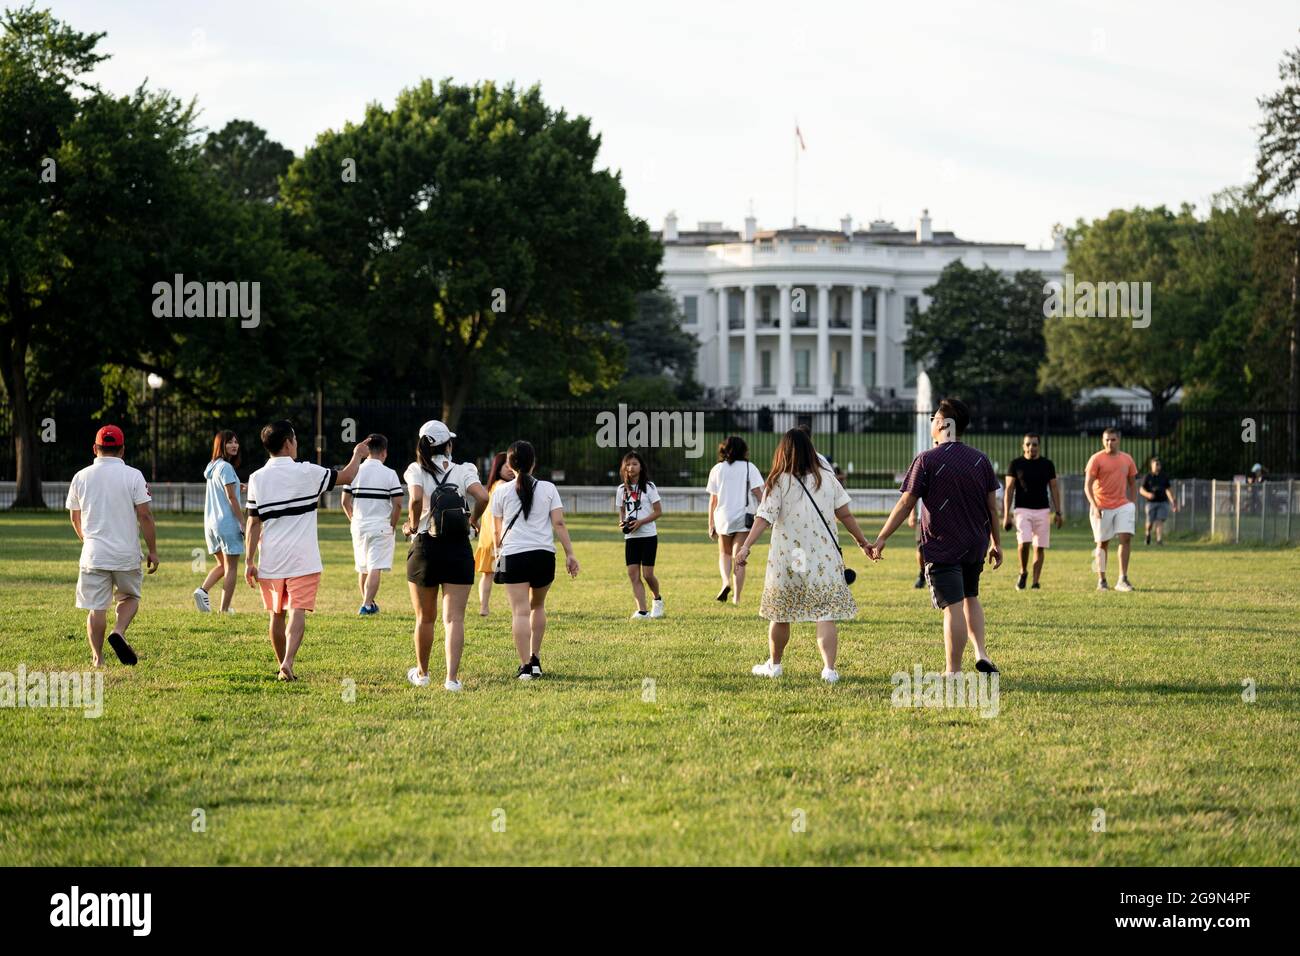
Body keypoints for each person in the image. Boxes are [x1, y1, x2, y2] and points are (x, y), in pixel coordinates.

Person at [866, 398, 1002, 675]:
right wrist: (997, 543)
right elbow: (993, 508)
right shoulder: (980, 459)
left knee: (952, 606)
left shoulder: (926, 459)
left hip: (942, 543)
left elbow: (906, 504)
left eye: (933, 419)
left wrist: (881, 538)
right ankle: (982, 653)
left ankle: (952, 670)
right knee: (970, 596)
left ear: (942, 424)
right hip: (975, 542)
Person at [735, 429, 869, 683]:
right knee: (825, 612)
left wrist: (746, 546)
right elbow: (846, 515)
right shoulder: (827, 479)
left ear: (783, 451)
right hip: (823, 556)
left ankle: (775, 665)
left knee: (781, 612)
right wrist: (863, 542)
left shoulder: (778, 481)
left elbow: (764, 517)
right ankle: (829, 669)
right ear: (810, 450)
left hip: (791, 555)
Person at [244, 421, 371, 681]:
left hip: (271, 558)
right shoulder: (307, 472)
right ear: (289, 442)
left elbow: (253, 522)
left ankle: (282, 663)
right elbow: (347, 476)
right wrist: (357, 454)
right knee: (297, 610)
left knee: (276, 614)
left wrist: (248, 560)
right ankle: (288, 662)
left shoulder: (256, 478)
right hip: (304, 558)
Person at [402, 420, 489, 691]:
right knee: (454, 619)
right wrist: (473, 520)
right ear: (448, 445)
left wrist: (413, 525)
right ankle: (451, 679)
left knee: (424, 618)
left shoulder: (416, 469)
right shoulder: (464, 470)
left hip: (426, 546)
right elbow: (483, 496)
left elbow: (416, 499)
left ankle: (423, 673)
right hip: (458, 547)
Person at [65, 425, 158, 668]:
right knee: (129, 597)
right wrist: (153, 551)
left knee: (96, 608)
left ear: (95, 448)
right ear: (122, 450)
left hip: (94, 554)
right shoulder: (134, 475)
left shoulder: (80, 477)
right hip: (125, 553)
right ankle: (118, 630)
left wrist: (88, 541)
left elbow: (75, 518)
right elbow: (145, 516)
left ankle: (98, 658)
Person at [492, 440, 580, 681]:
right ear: (534, 463)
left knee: (519, 612)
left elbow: (496, 532)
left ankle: (524, 667)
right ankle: (535, 659)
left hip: (512, 555)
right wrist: (570, 553)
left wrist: (496, 556)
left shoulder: (499, 491)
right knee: (537, 606)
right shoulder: (549, 488)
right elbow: (559, 523)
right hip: (544, 555)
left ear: (509, 464)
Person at [341, 433, 404, 615]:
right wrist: (392, 524)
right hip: (381, 524)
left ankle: (368, 603)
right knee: (375, 566)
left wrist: (354, 520)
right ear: (384, 452)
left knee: (363, 567)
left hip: (359, 524)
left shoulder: (355, 471)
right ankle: (367, 605)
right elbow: (398, 503)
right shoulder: (390, 474)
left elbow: (345, 501)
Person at [706, 436, 764, 604]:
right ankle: (737, 598)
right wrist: (768, 510)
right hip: (743, 517)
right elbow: (758, 492)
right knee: (739, 556)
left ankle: (725, 582)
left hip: (722, 517)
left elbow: (713, 500)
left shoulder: (717, 469)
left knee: (724, 553)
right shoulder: (749, 467)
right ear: (743, 449)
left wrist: (711, 523)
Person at [1002, 433, 1063, 590]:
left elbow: (1054, 488)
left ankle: (1035, 582)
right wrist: (1006, 515)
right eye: (1028, 444)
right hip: (1022, 510)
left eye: (1034, 444)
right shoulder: (1015, 464)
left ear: (1039, 446)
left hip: (1043, 510)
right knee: (1024, 542)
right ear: (1023, 446)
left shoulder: (1047, 464)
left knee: (1039, 547)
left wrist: (1058, 512)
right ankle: (1023, 572)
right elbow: (1009, 490)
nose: (1031, 447)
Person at [195, 430, 244, 613]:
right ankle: (224, 609)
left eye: (236, 441)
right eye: (229, 442)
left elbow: (227, 490)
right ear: (220, 445)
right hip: (228, 523)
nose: (234, 445)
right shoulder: (226, 468)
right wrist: (243, 522)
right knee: (231, 568)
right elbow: (231, 497)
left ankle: (202, 591)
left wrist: (241, 486)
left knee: (223, 565)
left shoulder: (213, 466)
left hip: (211, 525)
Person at [1084, 428, 1138, 591]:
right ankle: (1102, 580)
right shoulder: (1096, 459)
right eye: (1107, 440)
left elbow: (1133, 483)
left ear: (1118, 440)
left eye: (1113, 439)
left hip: (1122, 505)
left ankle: (1123, 579)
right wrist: (1094, 505)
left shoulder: (1127, 459)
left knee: (1125, 538)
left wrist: (1133, 504)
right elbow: (1087, 486)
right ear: (1103, 441)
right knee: (1102, 543)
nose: (1110, 443)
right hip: (1101, 506)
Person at [617, 450, 664, 620]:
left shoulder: (649, 487)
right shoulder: (622, 489)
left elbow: (658, 512)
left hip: (648, 536)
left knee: (647, 575)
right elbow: (622, 511)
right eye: (628, 464)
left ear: (641, 467)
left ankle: (657, 601)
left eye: (635, 464)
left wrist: (640, 522)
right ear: (624, 468)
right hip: (631, 538)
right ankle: (642, 611)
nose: (631, 467)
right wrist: (623, 523)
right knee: (633, 574)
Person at [474, 452, 514, 616]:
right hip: (497, 540)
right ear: (498, 468)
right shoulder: (503, 486)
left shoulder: (493, 486)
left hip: (488, 539)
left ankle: (484, 607)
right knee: (505, 575)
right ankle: (485, 608)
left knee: (489, 575)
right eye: (506, 466)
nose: (511, 469)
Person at [1140, 456, 1177, 545]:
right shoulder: (1147, 477)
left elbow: (1168, 489)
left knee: (1160, 520)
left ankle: (1159, 540)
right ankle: (1148, 534)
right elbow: (1141, 490)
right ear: (1151, 466)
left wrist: (1173, 501)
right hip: (1151, 503)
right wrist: (1148, 494)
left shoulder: (1164, 477)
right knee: (1150, 523)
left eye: (1159, 464)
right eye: (1156, 464)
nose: (1157, 466)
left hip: (1162, 502)